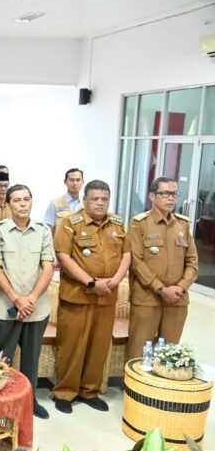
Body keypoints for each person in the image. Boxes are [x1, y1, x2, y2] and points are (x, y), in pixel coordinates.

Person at [52, 180, 130, 414]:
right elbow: (63, 256)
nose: (99, 203)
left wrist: (115, 280)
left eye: (104, 199)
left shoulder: (116, 223)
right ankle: (65, 392)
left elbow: (126, 254)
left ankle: (89, 391)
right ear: (84, 200)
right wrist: (91, 282)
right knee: (72, 345)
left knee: (98, 346)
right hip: (78, 295)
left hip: (107, 295)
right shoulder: (70, 222)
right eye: (94, 199)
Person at [0, 185, 55, 419]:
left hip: (36, 308)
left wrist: (31, 299)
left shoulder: (42, 230)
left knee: (31, 357)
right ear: (8, 204)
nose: (23, 204)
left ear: (32, 202)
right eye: (17, 200)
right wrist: (17, 299)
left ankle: (29, 400)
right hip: (4, 305)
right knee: (0, 357)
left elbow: (48, 266)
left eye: (26, 199)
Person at [126, 177, 198, 361]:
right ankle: (136, 390)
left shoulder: (182, 224)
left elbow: (192, 262)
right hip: (147, 297)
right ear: (152, 196)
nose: (171, 198)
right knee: (139, 350)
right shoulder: (139, 224)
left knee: (169, 352)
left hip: (177, 299)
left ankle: (161, 389)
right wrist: (160, 288)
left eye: (174, 194)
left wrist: (180, 287)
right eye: (165, 193)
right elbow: (136, 261)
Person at [44, 168, 85, 233]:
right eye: (72, 180)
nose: (75, 183)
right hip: (61, 242)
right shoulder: (55, 203)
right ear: (65, 182)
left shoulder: (87, 204)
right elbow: (48, 231)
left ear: (82, 182)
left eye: (78, 180)